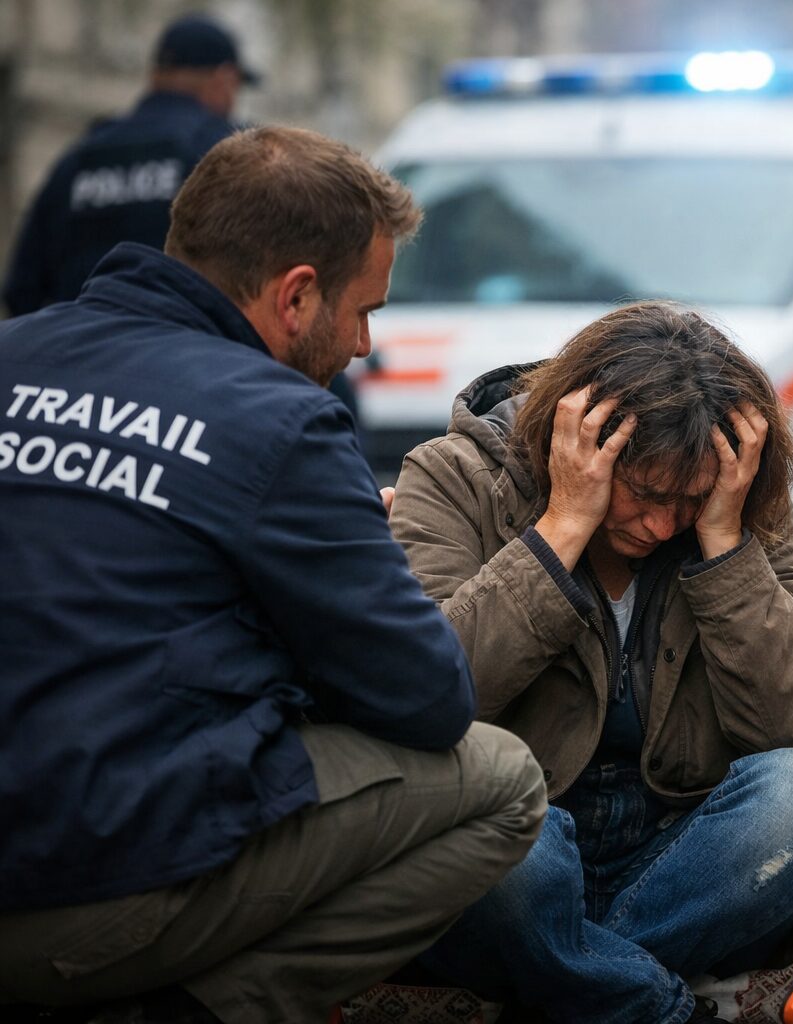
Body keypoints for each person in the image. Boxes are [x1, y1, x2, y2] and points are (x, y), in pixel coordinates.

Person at [0, 125, 547, 1023]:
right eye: (363, 309)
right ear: (296, 296)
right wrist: (356, 557)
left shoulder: (15, 352)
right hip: (77, 896)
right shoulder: (281, 421)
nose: (366, 343)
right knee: (500, 781)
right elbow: (428, 697)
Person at [388, 300, 793, 1022]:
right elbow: (424, 692)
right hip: (524, 839)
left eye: (688, 501)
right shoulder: (453, 477)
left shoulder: (736, 502)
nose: (661, 525)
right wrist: (563, 530)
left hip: (681, 859)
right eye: (643, 494)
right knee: (506, 839)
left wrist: (726, 547)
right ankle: (646, 1002)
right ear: (580, 444)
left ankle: (570, 976)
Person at [3, 14, 258, 317]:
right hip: (185, 355)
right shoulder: (226, 154)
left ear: (155, 75)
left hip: (79, 352)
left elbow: (23, 289)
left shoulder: (80, 158)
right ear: (224, 79)